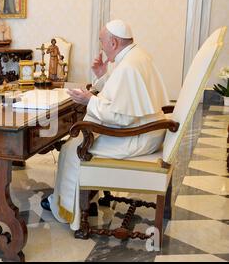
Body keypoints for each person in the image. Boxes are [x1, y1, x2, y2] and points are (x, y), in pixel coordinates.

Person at [40, 20, 170, 234]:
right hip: (148, 130)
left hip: (136, 138)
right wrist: (103, 75)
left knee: (73, 148)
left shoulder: (128, 65)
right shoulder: (136, 56)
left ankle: (67, 207)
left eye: (102, 42)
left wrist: (89, 100)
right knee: (75, 143)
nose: (101, 47)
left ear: (114, 41)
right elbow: (124, 94)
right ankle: (83, 197)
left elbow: (120, 117)